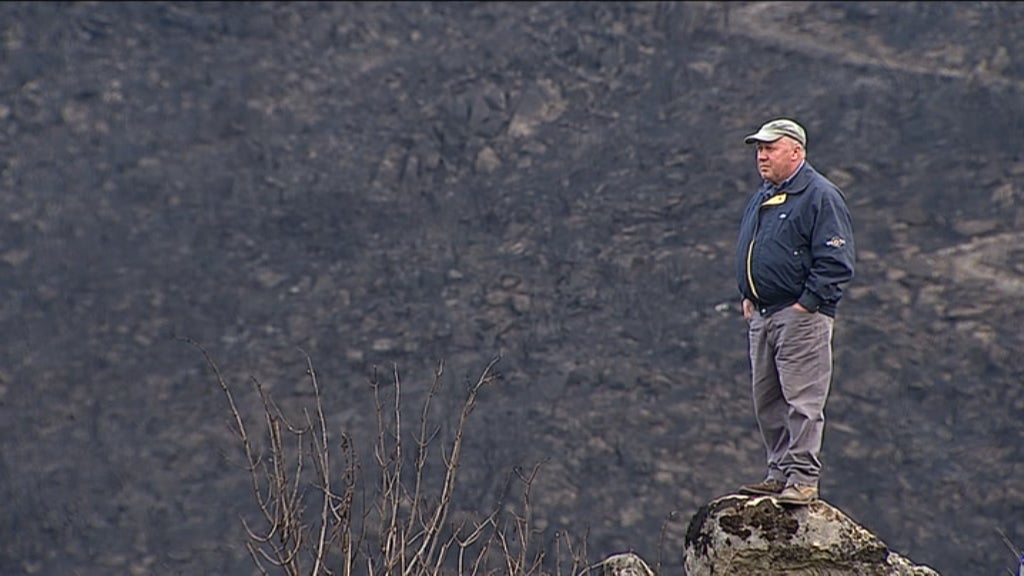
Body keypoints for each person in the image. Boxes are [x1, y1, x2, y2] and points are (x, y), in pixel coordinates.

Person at [734, 118, 856, 505]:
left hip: (799, 316)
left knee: (802, 399)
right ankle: (779, 472)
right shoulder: (764, 194)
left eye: (770, 148)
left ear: (796, 152)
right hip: (764, 314)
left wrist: (808, 304)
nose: (762, 155)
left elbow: (836, 260)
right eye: (759, 149)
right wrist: (749, 295)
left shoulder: (820, 195)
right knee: (767, 399)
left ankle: (802, 478)